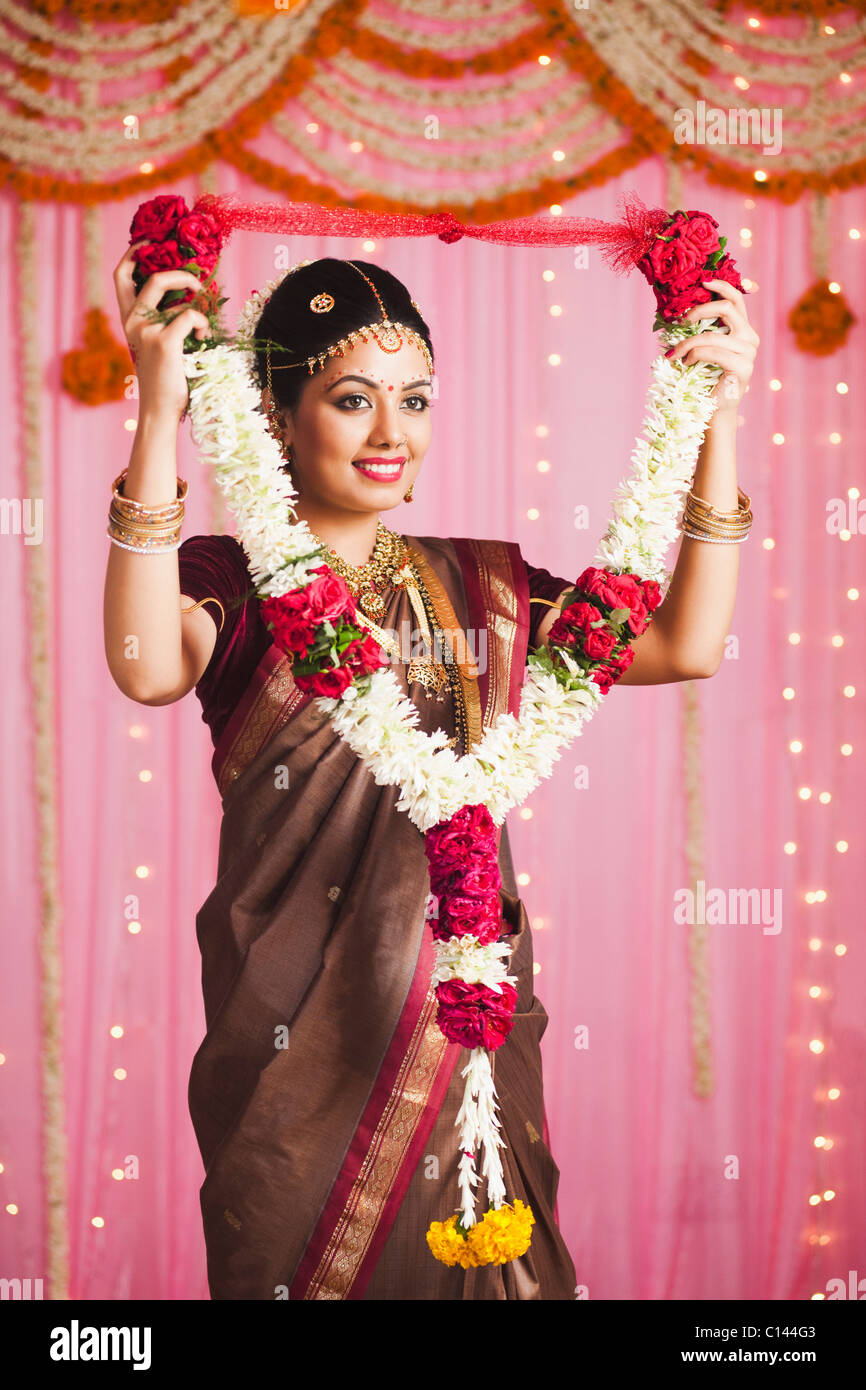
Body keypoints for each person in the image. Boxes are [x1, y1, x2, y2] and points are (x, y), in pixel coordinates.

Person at [105, 245, 755, 1300]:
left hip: (463, 1037)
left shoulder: (482, 583)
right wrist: (155, 412)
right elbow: (141, 669)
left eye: (413, 398)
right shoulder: (227, 580)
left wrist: (714, 418)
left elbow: (684, 644)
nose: (389, 432)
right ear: (273, 412)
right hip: (292, 1054)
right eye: (350, 399)